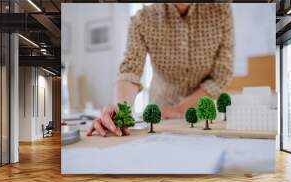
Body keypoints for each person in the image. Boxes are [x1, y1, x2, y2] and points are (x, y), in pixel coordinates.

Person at [87, 3, 234, 137]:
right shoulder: (142, 19)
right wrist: (119, 111)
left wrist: (179, 109)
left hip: (203, 112)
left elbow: (221, 74)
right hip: (162, 114)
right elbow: (130, 70)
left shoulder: (221, 10)